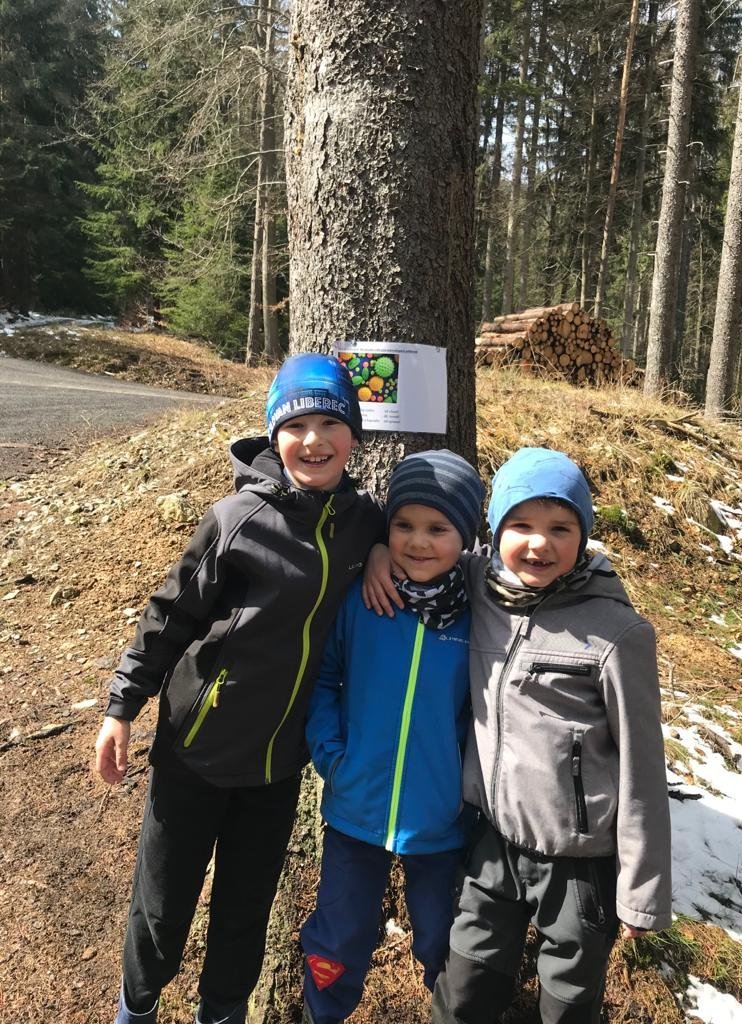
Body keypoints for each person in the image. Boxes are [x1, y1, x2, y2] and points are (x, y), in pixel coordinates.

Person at [94, 352, 385, 1024]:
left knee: (244, 912)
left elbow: (411, 537)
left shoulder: (365, 523)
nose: (313, 440)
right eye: (296, 425)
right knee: (162, 907)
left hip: (276, 766)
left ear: (353, 435)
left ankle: (222, 1014)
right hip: (195, 753)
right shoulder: (236, 519)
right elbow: (168, 617)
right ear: (274, 436)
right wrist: (121, 706)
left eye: (330, 423)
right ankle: (136, 1008)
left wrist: (375, 550)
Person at [363, 447, 672, 1024]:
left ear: (584, 535)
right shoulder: (480, 587)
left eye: (560, 529)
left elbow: (643, 767)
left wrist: (642, 889)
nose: (538, 544)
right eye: (520, 525)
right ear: (493, 531)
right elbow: (427, 548)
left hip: (579, 863)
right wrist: (378, 550)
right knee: (463, 989)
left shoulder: (618, 632)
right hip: (491, 843)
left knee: (567, 1003)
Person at [300, 450, 486, 1024]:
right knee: (338, 935)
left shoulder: (479, 614)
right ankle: (322, 1014)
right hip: (355, 807)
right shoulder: (364, 598)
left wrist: (462, 787)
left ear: (466, 536)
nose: (418, 541)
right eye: (403, 525)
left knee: (441, 939)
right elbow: (325, 679)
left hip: (440, 819)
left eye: (438, 528)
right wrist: (332, 757)